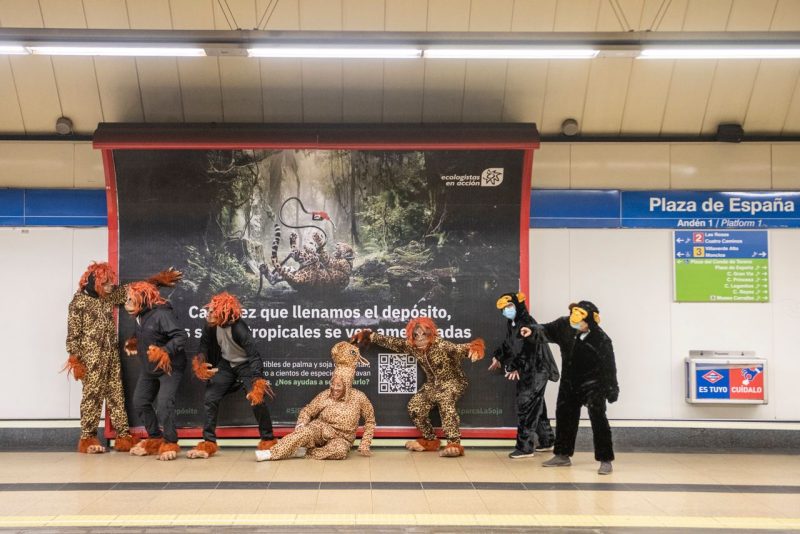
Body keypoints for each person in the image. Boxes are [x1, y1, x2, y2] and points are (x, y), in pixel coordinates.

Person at [63, 262, 181, 454]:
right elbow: (73, 334)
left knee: (116, 395)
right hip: (91, 359)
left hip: (111, 356)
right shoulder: (78, 303)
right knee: (92, 396)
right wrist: (75, 359)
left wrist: (156, 281)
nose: (111, 287)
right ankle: (88, 436)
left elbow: (133, 290)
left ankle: (123, 435)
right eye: (107, 283)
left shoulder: (108, 297)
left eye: (111, 283)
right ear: (95, 282)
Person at [351, 318, 484, 457]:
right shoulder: (412, 346)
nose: (420, 339)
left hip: (453, 382)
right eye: (416, 335)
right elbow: (393, 342)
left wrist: (475, 348)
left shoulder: (441, 345)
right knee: (414, 407)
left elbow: (458, 349)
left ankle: (454, 443)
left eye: (424, 335)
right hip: (433, 384)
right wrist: (369, 335)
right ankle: (430, 440)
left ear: (431, 334)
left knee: (445, 400)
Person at [531, 301, 619, 475]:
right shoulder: (565, 325)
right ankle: (562, 455)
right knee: (564, 417)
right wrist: (531, 330)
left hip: (593, 385)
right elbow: (546, 329)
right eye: (573, 320)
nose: (576, 325)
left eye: (580, 322)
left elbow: (609, 366)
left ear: (591, 322)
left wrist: (611, 389)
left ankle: (605, 459)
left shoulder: (602, 340)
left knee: (598, 419)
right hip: (569, 384)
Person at [187, 292, 276, 459]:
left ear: (224, 313)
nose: (209, 314)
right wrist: (200, 363)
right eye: (209, 310)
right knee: (210, 397)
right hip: (226, 365)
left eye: (213, 311)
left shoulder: (239, 328)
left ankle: (268, 439)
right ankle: (208, 443)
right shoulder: (210, 325)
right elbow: (204, 346)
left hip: (246, 366)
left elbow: (254, 355)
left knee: (256, 399)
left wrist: (256, 381)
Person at [256, 341, 375, 461]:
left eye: (339, 385)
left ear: (347, 385)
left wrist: (365, 443)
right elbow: (308, 410)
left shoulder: (359, 397)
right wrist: (302, 423)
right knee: (305, 432)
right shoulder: (325, 395)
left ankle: (304, 452)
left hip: (342, 439)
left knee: (340, 451)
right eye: (332, 383)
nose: (334, 388)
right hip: (320, 429)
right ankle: (271, 453)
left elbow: (370, 421)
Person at [488, 292, 559, 459]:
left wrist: (514, 366)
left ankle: (525, 447)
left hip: (537, 370)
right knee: (537, 406)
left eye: (510, 306)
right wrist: (499, 356)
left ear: (519, 305)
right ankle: (548, 441)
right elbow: (509, 344)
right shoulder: (512, 323)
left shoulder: (526, 322)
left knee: (525, 406)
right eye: (504, 308)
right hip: (528, 369)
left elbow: (529, 350)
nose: (507, 310)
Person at [123, 281, 188, 461]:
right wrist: (134, 342)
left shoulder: (161, 314)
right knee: (140, 402)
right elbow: (146, 333)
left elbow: (181, 336)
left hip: (169, 367)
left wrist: (165, 351)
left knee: (164, 404)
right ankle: (154, 438)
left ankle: (170, 442)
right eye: (127, 299)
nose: (127, 303)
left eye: (131, 299)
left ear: (143, 300)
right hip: (149, 368)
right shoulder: (139, 315)